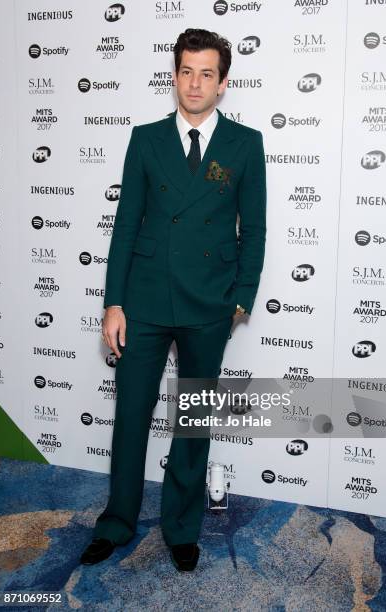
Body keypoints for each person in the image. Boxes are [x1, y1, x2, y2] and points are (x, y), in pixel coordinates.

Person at [80, 28, 267, 571]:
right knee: (131, 416)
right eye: (186, 71)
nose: (195, 83)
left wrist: (241, 299)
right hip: (143, 300)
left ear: (223, 83)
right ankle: (116, 523)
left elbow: (253, 229)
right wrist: (113, 303)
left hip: (210, 304)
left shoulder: (245, 144)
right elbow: (124, 225)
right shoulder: (146, 138)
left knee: (192, 422)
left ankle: (181, 527)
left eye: (206, 73)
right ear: (174, 76)